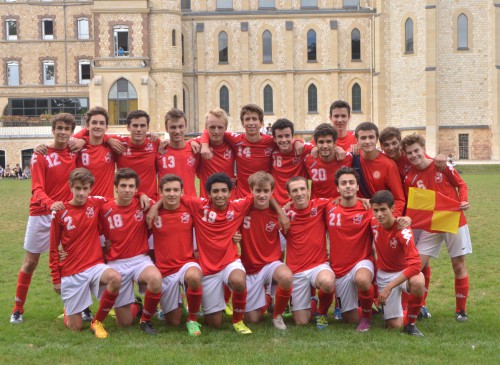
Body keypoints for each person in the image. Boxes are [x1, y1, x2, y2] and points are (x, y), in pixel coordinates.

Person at [10, 113, 78, 324]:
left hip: (64, 216)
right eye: (59, 128)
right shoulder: (41, 155)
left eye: (67, 129)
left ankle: (73, 309)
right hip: (40, 214)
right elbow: (36, 189)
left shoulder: (75, 152)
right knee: (30, 262)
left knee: (67, 262)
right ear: (53, 130)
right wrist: (50, 205)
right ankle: (18, 308)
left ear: (72, 132)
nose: (63, 132)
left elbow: (95, 134)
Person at [402, 134, 471, 322]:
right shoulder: (410, 177)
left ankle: (460, 311)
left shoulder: (441, 164)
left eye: (416, 150)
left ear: (423, 148)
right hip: (430, 224)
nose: (414, 155)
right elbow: (414, 205)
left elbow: (461, 184)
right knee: (416, 265)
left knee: (458, 265)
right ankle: (419, 306)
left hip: (452, 218)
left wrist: (463, 200)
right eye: (409, 153)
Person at [49, 168, 122, 338]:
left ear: (90, 189)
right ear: (70, 187)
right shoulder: (59, 211)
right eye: (77, 188)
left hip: (94, 265)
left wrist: (141, 197)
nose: (81, 193)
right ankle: (69, 310)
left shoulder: (96, 203)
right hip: (71, 270)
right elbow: (53, 247)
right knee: (75, 328)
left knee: (115, 278)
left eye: (85, 189)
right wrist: (55, 278)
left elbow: (120, 199)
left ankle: (97, 322)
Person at [100, 168, 163, 335]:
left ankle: (146, 320)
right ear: (116, 188)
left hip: (140, 260)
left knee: (156, 279)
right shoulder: (104, 209)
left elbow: (163, 200)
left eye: (131, 186)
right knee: (125, 323)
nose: (127, 190)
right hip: (116, 263)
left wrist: (144, 197)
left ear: (136, 189)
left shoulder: (143, 204)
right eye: (123, 186)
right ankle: (137, 306)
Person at [237, 172, 293, 330]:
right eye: (258, 191)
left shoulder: (279, 214)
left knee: (286, 276)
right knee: (253, 320)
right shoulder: (242, 210)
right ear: (251, 190)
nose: (262, 195)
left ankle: (277, 315)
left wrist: (281, 212)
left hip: (271, 264)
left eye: (266, 191)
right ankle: (268, 297)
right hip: (250, 268)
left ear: (271, 192)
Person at [151, 174, 203, 336]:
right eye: (167, 190)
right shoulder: (153, 212)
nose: (171, 193)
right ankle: (174, 302)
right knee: (173, 322)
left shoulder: (190, 207)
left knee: (194, 277)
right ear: (160, 192)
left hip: (187, 263)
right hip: (165, 270)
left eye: (175, 190)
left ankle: (192, 319)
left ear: (182, 192)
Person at [370, 190, 426, 336]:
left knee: (419, 281)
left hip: (403, 273)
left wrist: (389, 287)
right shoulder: (373, 223)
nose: (379, 214)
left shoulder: (403, 230)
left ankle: (411, 324)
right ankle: (409, 310)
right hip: (384, 274)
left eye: (383, 209)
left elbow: (415, 266)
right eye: (375, 210)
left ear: (393, 209)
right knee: (394, 326)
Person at [326, 167, 375, 332]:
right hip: (340, 269)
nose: (348, 186)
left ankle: (367, 318)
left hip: (362, 261)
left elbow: (388, 217)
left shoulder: (369, 208)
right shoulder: (328, 207)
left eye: (351, 183)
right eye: (344, 183)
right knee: (350, 319)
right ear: (337, 188)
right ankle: (370, 306)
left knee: (362, 279)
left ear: (357, 187)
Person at [283, 176, 335, 329]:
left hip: (318, 265)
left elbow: (342, 199)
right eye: (294, 190)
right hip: (297, 271)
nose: (299, 193)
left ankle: (322, 313)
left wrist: (363, 200)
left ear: (308, 190)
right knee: (301, 322)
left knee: (327, 283)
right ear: (289, 195)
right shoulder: (284, 214)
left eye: (302, 189)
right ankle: (312, 302)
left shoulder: (320, 205)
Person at [353, 122, 406, 217]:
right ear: (357, 140)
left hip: (380, 217)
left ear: (377, 139)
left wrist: (390, 221)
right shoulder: (352, 159)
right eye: (363, 138)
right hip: (358, 216)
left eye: (371, 137)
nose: (367, 141)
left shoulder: (389, 164)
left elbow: (399, 199)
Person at [156, 109, 199, 197]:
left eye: (180, 126)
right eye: (173, 127)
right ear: (166, 128)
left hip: (189, 205)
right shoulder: (159, 150)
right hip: (165, 206)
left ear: (186, 126)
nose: (177, 131)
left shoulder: (195, 150)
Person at [304, 123, 353, 200]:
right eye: (321, 142)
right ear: (316, 144)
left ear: (334, 143)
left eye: (328, 141)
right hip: (318, 208)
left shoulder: (347, 158)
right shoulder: (308, 160)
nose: (325, 146)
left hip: (339, 207)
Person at [195, 108, 236, 198]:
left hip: (229, 201)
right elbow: (181, 144)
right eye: (212, 127)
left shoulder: (232, 144)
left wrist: (238, 179)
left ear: (226, 128)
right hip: (207, 201)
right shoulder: (198, 143)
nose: (216, 131)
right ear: (206, 128)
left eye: (220, 127)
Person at [270, 118, 312, 206]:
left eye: (287, 136)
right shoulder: (271, 149)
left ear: (292, 136)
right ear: (274, 138)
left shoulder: (303, 149)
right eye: (280, 136)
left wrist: (299, 141)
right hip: (277, 205)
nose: (284, 140)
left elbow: (319, 147)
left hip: (299, 203)